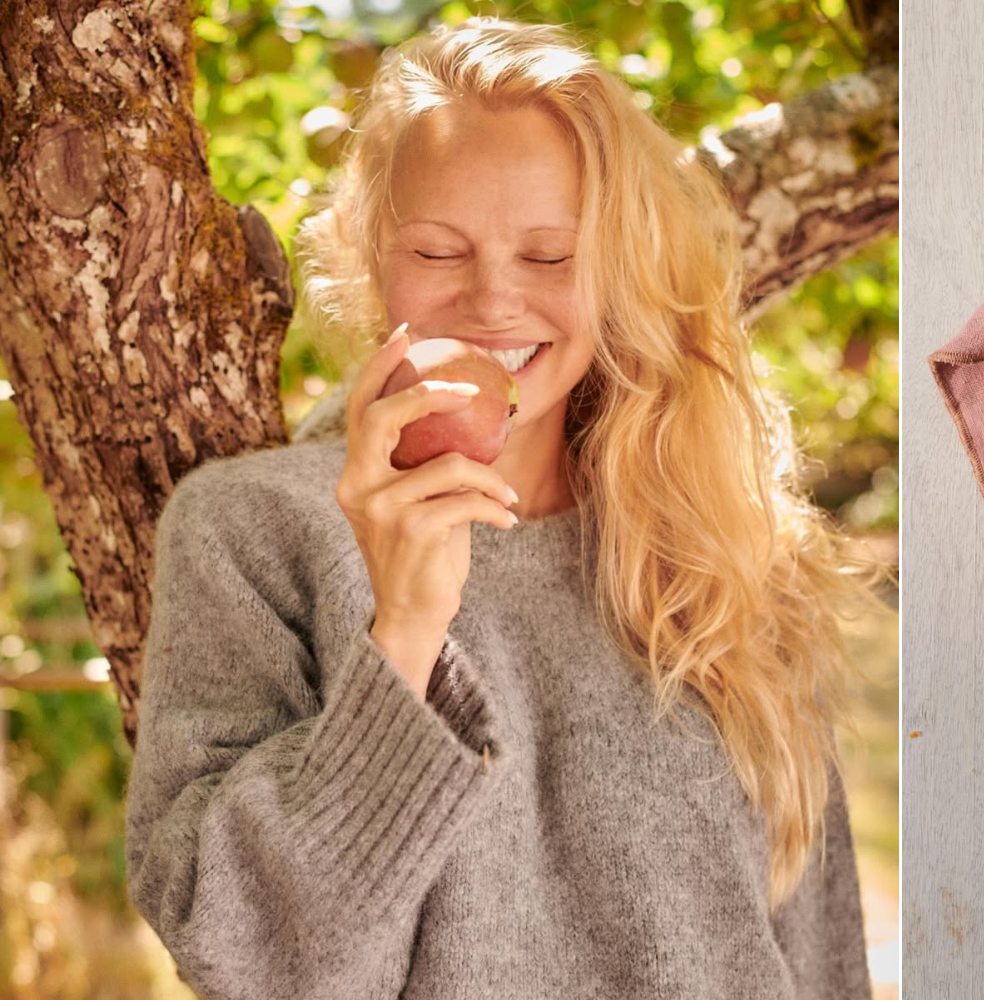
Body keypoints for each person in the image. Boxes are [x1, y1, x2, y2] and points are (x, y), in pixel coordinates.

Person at [124, 17, 881, 1000]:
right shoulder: (252, 532)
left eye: (550, 255)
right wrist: (402, 635)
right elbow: (255, 961)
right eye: (440, 252)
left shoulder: (725, 550)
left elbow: (819, 958)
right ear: (372, 256)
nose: (492, 300)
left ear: (615, 271)